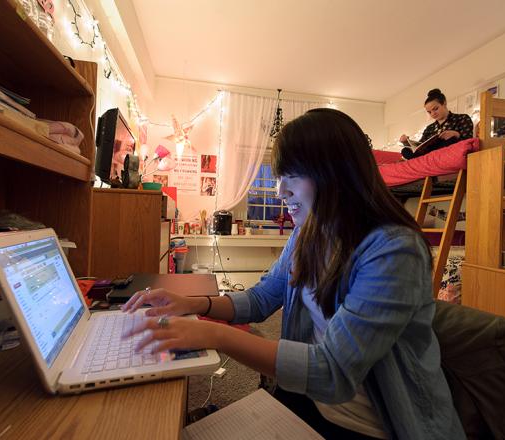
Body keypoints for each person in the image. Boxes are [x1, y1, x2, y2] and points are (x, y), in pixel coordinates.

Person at [122, 108, 465, 439]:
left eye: (292, 177)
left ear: (337, 175)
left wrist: (214, 336)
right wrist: (192, 303)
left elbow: (332, 372)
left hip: (370, 424)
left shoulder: (393, 250)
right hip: (307, 398)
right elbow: (260, 299)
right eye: (278, 177)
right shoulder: (310, 233)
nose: (279, 191)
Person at [400, 88, 473, 159]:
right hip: (429, 153)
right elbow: (419, 147)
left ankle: (435, 157)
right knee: (405, 151)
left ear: (444, 103)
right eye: (429, 112)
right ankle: (430, 158)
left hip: (448, 149)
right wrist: (406, 143)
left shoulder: (462, 118)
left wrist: (456, 134)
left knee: (451, 140)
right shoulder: (429, 128)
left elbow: (469, 142)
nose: (433, 114)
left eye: (435, 109)